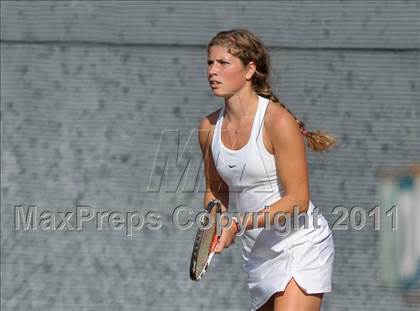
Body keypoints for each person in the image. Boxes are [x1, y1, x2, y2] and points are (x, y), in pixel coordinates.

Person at [198, 28, 336, 311]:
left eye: (223, 63)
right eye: (210, 63)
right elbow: (216, 188)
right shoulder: (208, 127)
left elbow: (298, 201)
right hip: (258, 253)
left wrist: (238, 223)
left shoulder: (277, 122)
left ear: (250, 70)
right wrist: (217, 220)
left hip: (301, 244)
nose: (213, 71)